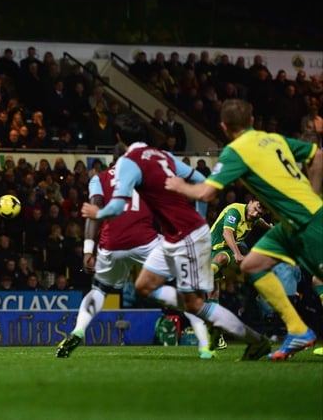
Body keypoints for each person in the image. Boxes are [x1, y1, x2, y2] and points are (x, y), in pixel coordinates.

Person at [81, 117, 271, 361]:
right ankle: (202, 309)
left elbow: (117, 207)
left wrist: (99, 213)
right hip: (175, 234)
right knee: (143, 285)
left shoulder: (129, 162)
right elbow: (203, 182)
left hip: (186, 235)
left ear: (119, 138)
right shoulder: (162, 156)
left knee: (194, 304)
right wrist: (193, 205)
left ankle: (255, 341)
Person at [166, 99, 322, 360]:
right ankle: (298, 330)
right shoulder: (272, 139)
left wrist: (177, 186)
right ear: (252, 121)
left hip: (308, 222)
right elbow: (317, 156)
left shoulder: (235, 151)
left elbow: (205, 193)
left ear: (224, 126)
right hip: (290, 223)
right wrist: (314, 194)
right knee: (252, 264)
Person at [57, 166, 213, 359]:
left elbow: (95, 207)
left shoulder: (99, 179)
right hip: (144, 240)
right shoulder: (146, 177)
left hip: (111, 244)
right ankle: (205, 345)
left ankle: (78, 330)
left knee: (99, 290)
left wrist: (88, 249)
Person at [206, 199, 270, 350]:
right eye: (255, 208)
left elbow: (259, 221)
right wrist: (237, 253)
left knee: (221, 258)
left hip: (222, 252)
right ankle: (218, 336)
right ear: (251, 201)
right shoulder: (235, 211)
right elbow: (227, 232)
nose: (255, 213)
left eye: (259, 212)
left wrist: (269, 227)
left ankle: (208, 271)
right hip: (208, 249)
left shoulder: (254, 218)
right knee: (212, 296)